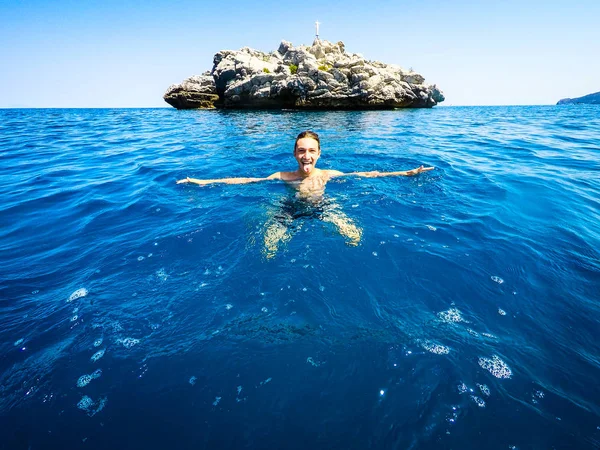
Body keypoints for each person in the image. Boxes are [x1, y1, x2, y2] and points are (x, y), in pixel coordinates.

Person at [177, 131, 434, 257]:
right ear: (294, 154)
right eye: (301, 150)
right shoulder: (282, 177)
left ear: (319, 153)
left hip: (323, 208)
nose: (306, 156)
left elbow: (366, 175)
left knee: (354, 237)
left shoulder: (328, 174)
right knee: (268, 250)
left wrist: (405, 173)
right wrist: (202, 181)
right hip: (288, 211)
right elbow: (245, 180)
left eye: (311, 150)